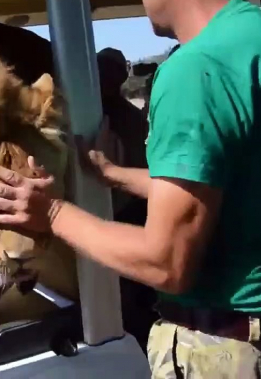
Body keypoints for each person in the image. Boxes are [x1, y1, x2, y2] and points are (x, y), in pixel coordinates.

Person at [0, 0, 261, 377]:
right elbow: (232, 182)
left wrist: (53, 214)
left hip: (230, 353)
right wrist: (115, 175)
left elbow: (166, 263)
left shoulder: (197, 69)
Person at [97, 47, 158, 355]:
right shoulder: (94, 116)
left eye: (111, 71)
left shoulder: (128, 118)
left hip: (134, 214)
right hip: (120, 216)